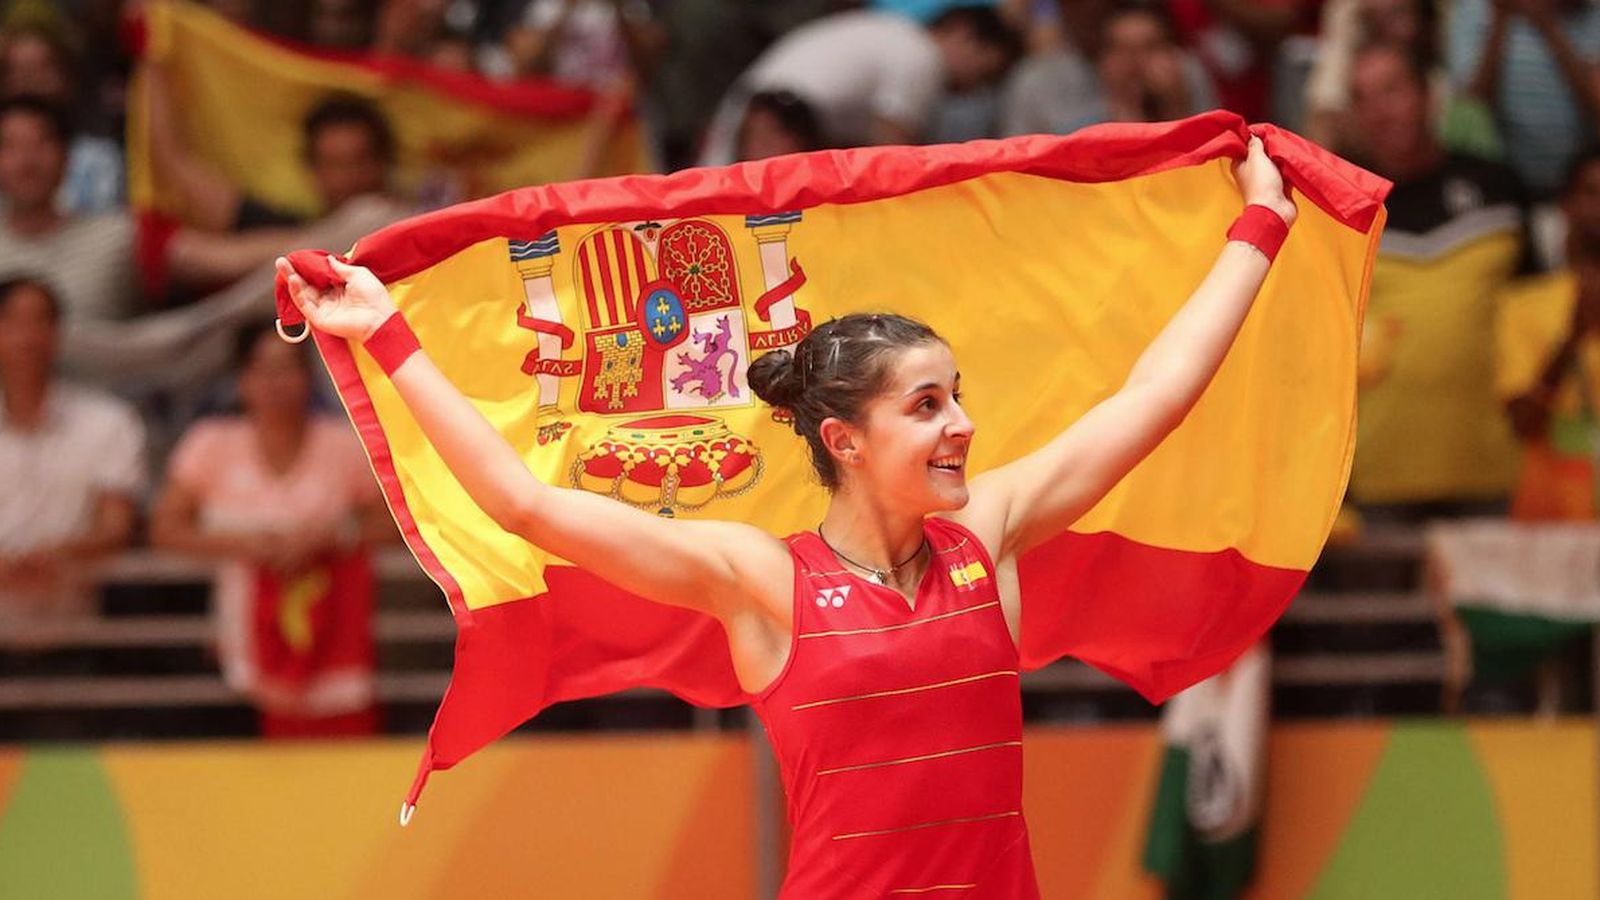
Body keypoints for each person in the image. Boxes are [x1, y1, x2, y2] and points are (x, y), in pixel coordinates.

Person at [280, 134, 1294, 894]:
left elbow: (1154, 397)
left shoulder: (987, 535)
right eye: (927, 404)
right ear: (844, 441)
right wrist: (388, 335)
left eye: (958, 396)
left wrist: (1263, 224)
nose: (964, 426)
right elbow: (523, 504)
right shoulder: (762, 579)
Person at [151, 321, 395, 737]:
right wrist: (249, 545)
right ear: (241, 380)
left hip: (330, 642)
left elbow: (393, 520)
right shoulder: (210, 443)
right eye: (261, 370)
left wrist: (332, 537)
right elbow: (165, 529)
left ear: (308, 377)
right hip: (235, 644)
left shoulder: (345, 444)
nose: (274, 383)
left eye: (286, 369)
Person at [1345, 44, 1526, 521]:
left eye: (1391, 91)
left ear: (1428, 95)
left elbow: (1541, 306)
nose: (1379, 111)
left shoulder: (1497, 186)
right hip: (1376, 477)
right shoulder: (1337, 205)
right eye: (1362, 98)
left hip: (1491, 467)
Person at [0, 277, 144, 654]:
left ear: (57, 332)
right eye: (12, 320)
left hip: (76, 639)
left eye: (39, 321)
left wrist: (59, 555)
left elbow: (116, 527)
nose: (26, 337)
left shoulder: (108, 422)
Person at [699, 7, 1021, 165]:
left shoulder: (891, 35)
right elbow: (894, 154)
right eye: (983, 74)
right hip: (775, 118)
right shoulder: (921, 54)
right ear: (962, 33)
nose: (973, 89)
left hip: (759, 113)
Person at [1498, 148, 1600, 520]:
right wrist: (1572, 338)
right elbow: (1522, 425)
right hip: (1550, 526)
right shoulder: (1524, 304)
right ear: (1567, 206)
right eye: (1591, 193)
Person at [1002, 0, 1216, 135]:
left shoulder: (1184, 70)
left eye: (1149, 47)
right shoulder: (1035, 79)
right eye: (1121, 49)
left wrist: (1176, 107)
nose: (1135, 61)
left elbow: (1216, 159)